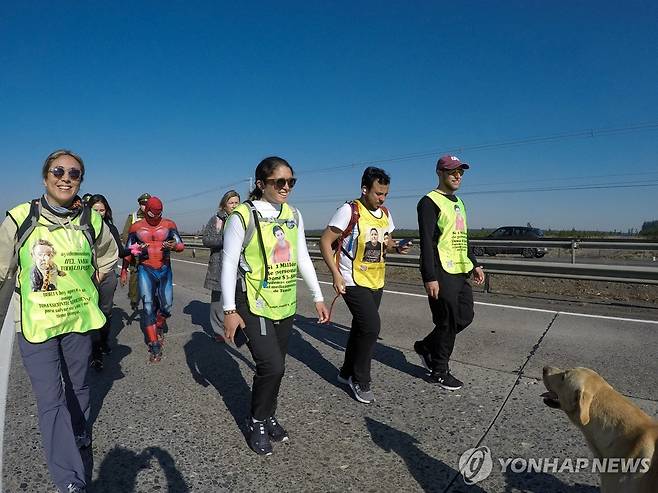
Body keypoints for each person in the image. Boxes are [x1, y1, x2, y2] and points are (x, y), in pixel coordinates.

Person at [0, 149, 118, 493]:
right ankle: (70, 479)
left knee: (79, 386)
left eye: (74, 173)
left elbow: (110, 255)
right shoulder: (21, 217)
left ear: (81, 180)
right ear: (45, 176)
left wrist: (90, 283)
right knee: (51, 399)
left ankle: (80, 431)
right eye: (58, 171)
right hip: (36, 326)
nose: (66, 177)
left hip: (77, 321)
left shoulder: (91, 221)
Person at [221, 156, 329, 455]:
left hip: (285, 301)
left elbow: (302, 257)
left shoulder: (293, 213)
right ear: (260, 183)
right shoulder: (243, 215)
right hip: (253, 302)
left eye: (291, 182)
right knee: (272, 365)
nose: (286, 187)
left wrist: (317, 295)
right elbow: (229, 264)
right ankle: (256, 419)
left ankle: (268, 414)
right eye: (278, 181)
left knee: (276, 369)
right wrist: (229, 311)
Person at [319, 166, 410, 404]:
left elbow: (385, 240)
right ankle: (361, 380)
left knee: (361, 328)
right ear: (364, 189)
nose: (382, 198)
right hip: (352, 279)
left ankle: (346, 372)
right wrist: (336, 275)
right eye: (378, 193)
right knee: (371, 327)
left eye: (385, 194)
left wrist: (396, 246)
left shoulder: (385, 213)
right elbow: (325, 241)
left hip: (376, 279)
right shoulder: (349, 211)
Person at [414, 155, 485, 390]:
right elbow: (425, 242)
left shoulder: (459, 202)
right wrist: (429, 276)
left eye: (461, 172)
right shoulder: (429, 202)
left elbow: (462, 237)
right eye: (452, 171)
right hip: (441, 270)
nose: (457, 176)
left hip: (460, 268)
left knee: (465, 316)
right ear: (439, 173)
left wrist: (473, 263)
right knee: (447, 320)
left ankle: (426, 346)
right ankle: (439, 370)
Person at [120, 196, 184, 362]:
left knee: (167, 306)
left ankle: (160, 322)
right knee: (148, 306)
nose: (155, 217)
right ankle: (154, 344)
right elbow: (127, 250)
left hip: (164, 269)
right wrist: (125, 270)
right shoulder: (136, 227)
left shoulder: (169, 224)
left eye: (158, 214)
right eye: (151, 213)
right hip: (145, 269)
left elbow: (181, 245)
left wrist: (174, 246)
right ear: (145, 210)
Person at [87, 194, 126, 370]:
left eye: (101, 210)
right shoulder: (81, 227)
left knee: (105, 311)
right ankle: (95, 353)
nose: (98, 213)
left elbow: (119, 251)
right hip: (87, 277)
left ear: (106, 211)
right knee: (91, 312)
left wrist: (137, 249)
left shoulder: (111, 228)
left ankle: (104, 341)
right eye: (95, 210)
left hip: (108, 274)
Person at [201, 190, 240, 341]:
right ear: (224, 205)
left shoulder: (242, 219)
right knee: (218, 301)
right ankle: (219, 331)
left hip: (238, 266)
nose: (234, 205)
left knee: (238, 298)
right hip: (219, 265)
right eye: (231, 203)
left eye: (237, 202)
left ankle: (235, 326)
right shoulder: (216, 220)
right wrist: (227, 239)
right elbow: (206, 240)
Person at [121, 192, 151, 310]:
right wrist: (133, 248)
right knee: (135, 275)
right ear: (139, 205)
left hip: (150, 252)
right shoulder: (133, 217)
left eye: (147, 204)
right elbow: (125, 235)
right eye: (143, 204)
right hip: (136, 252)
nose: (145, 206)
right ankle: (134, 299)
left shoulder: (154, 216)